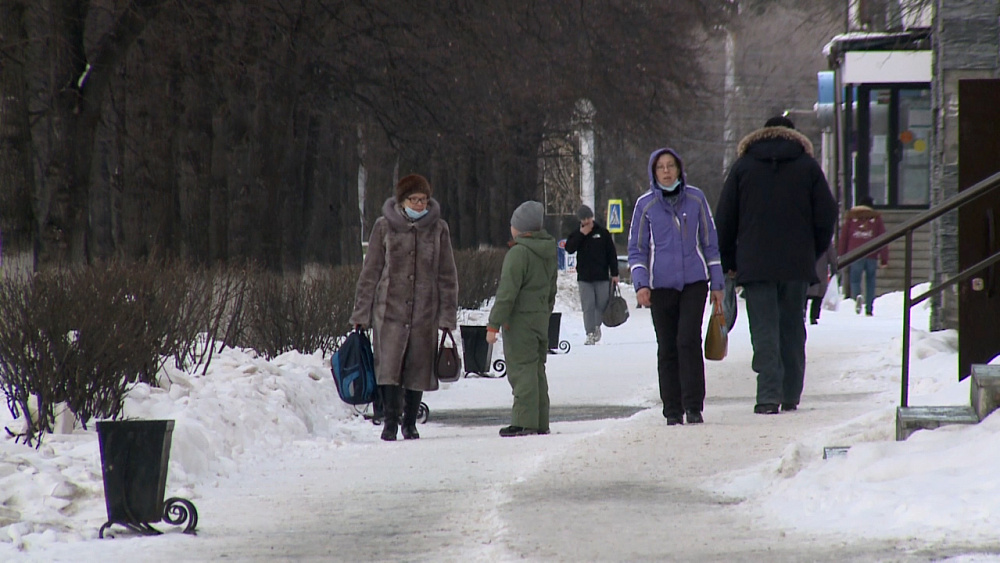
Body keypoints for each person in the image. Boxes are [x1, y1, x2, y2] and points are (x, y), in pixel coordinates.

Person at [715, 116, 837, 415]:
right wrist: (814, 249)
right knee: (792, 327)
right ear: (793, 136)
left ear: (761, 135)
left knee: (765, 329)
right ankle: (791, 393)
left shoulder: (743, 168)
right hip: (796, 263)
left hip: (755, 264)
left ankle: (768, 396)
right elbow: (827, 213)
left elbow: (725, 218)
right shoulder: (808, 167)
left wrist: (730, 261)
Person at [349, 174, 459, 441]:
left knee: (418, 367)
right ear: (402, 200)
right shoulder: (384, 227)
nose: (420, 204)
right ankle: (389, 421)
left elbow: (447, 276)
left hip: (425, 312)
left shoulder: (438, 229)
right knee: (388, 367)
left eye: (424, 199)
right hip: (389, 311)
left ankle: (410, 421)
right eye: (414, 199)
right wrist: (361, 313)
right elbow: (371, 272)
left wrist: (447, 315)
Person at [628, 148, 725, 426]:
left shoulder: (696, 199)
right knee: (667, 346)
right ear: (653, 172)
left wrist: (716, 282)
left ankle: (693, 405)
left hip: (694, 282)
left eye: (671, 166)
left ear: (680, 170)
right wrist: (641, 284)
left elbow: (710, 242)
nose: (667, 171)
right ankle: (672, 409)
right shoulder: (645, 205)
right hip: (661, 287)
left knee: (687, 340)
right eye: (661, 167)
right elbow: (637, 249)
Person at [486, 201, 558, 437]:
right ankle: (540, 420)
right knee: (537, 369)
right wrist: (543, 315)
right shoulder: (548, 253)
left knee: (521, 370)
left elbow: (507, 292)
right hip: (539, 320)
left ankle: (524, 422)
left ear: (521, 228)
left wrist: (493, 323)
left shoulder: (518, 253)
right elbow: (551, 291)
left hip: (519, 323)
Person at [564, 204, 620, 345]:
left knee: (601, 304)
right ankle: (590, 332)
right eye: (584, 219)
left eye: (588, 218)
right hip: (584, 277)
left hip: (601, 276)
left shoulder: (602, 233)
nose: (586, 221)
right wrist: (582, 234)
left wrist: (614, 273)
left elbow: (611, 254)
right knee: (588, 306)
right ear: (580, 220)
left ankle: (597, 327)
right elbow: (569, 248)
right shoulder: (577, 233)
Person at [839, 195, 888, 317]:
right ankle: (869, 308)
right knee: (870, 281)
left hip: (855, 254)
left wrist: (841, 255)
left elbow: (844, 237)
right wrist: (884, 258)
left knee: (855, 280)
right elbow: (883, 238)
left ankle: (857, 298)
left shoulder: (851, 217)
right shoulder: (876, 218)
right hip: (871, 254)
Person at [804, 242, 837, 325]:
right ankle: (814, 316)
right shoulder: (824, 240)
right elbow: (832, 258)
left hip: (806, 272)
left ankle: (802, 313)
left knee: (804, 295)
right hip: (820, 274)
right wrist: (834, 270)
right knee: (818, 297)